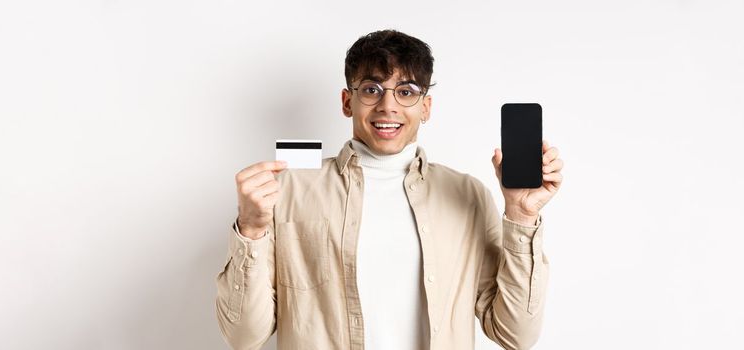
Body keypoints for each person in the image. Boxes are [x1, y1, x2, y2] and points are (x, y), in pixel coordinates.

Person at [216, 29, 564, 350]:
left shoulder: (468, 195)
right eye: (371, 89)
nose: (388, 106)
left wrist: (521, 214)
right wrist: (251, 228)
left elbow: (515, 334)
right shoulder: (286, 190)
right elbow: (244, 336)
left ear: (425, 107)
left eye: (406, 91)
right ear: (346, 101)